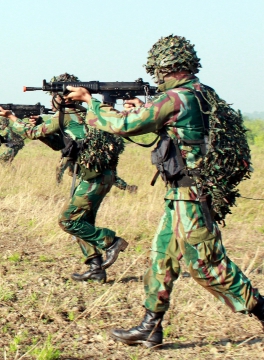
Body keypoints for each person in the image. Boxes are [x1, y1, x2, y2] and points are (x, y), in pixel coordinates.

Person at [65, 35, 264, 347]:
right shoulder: (198, 92)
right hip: (181, 194)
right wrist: (145, 108)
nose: (156, 76)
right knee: (162, 258)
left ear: (166, 67)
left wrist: (92, 102)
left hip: (192, 196)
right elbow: (176, 128)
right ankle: (150, 326)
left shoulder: (177, 98)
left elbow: (124, 125)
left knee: (206, 265)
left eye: (158, 70)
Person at [0, 73, 129, 283]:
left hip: (92, 177)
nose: (53, 99)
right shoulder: (85, 113)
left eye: (54, 94)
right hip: (103, 174)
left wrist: (12, 118)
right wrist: (44, 127)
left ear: (63, 97)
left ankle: (111, 242)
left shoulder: (66, 115)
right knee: (83, 222)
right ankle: (95, 268)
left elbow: (29, 132)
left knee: (68, 221)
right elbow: (61, 144)